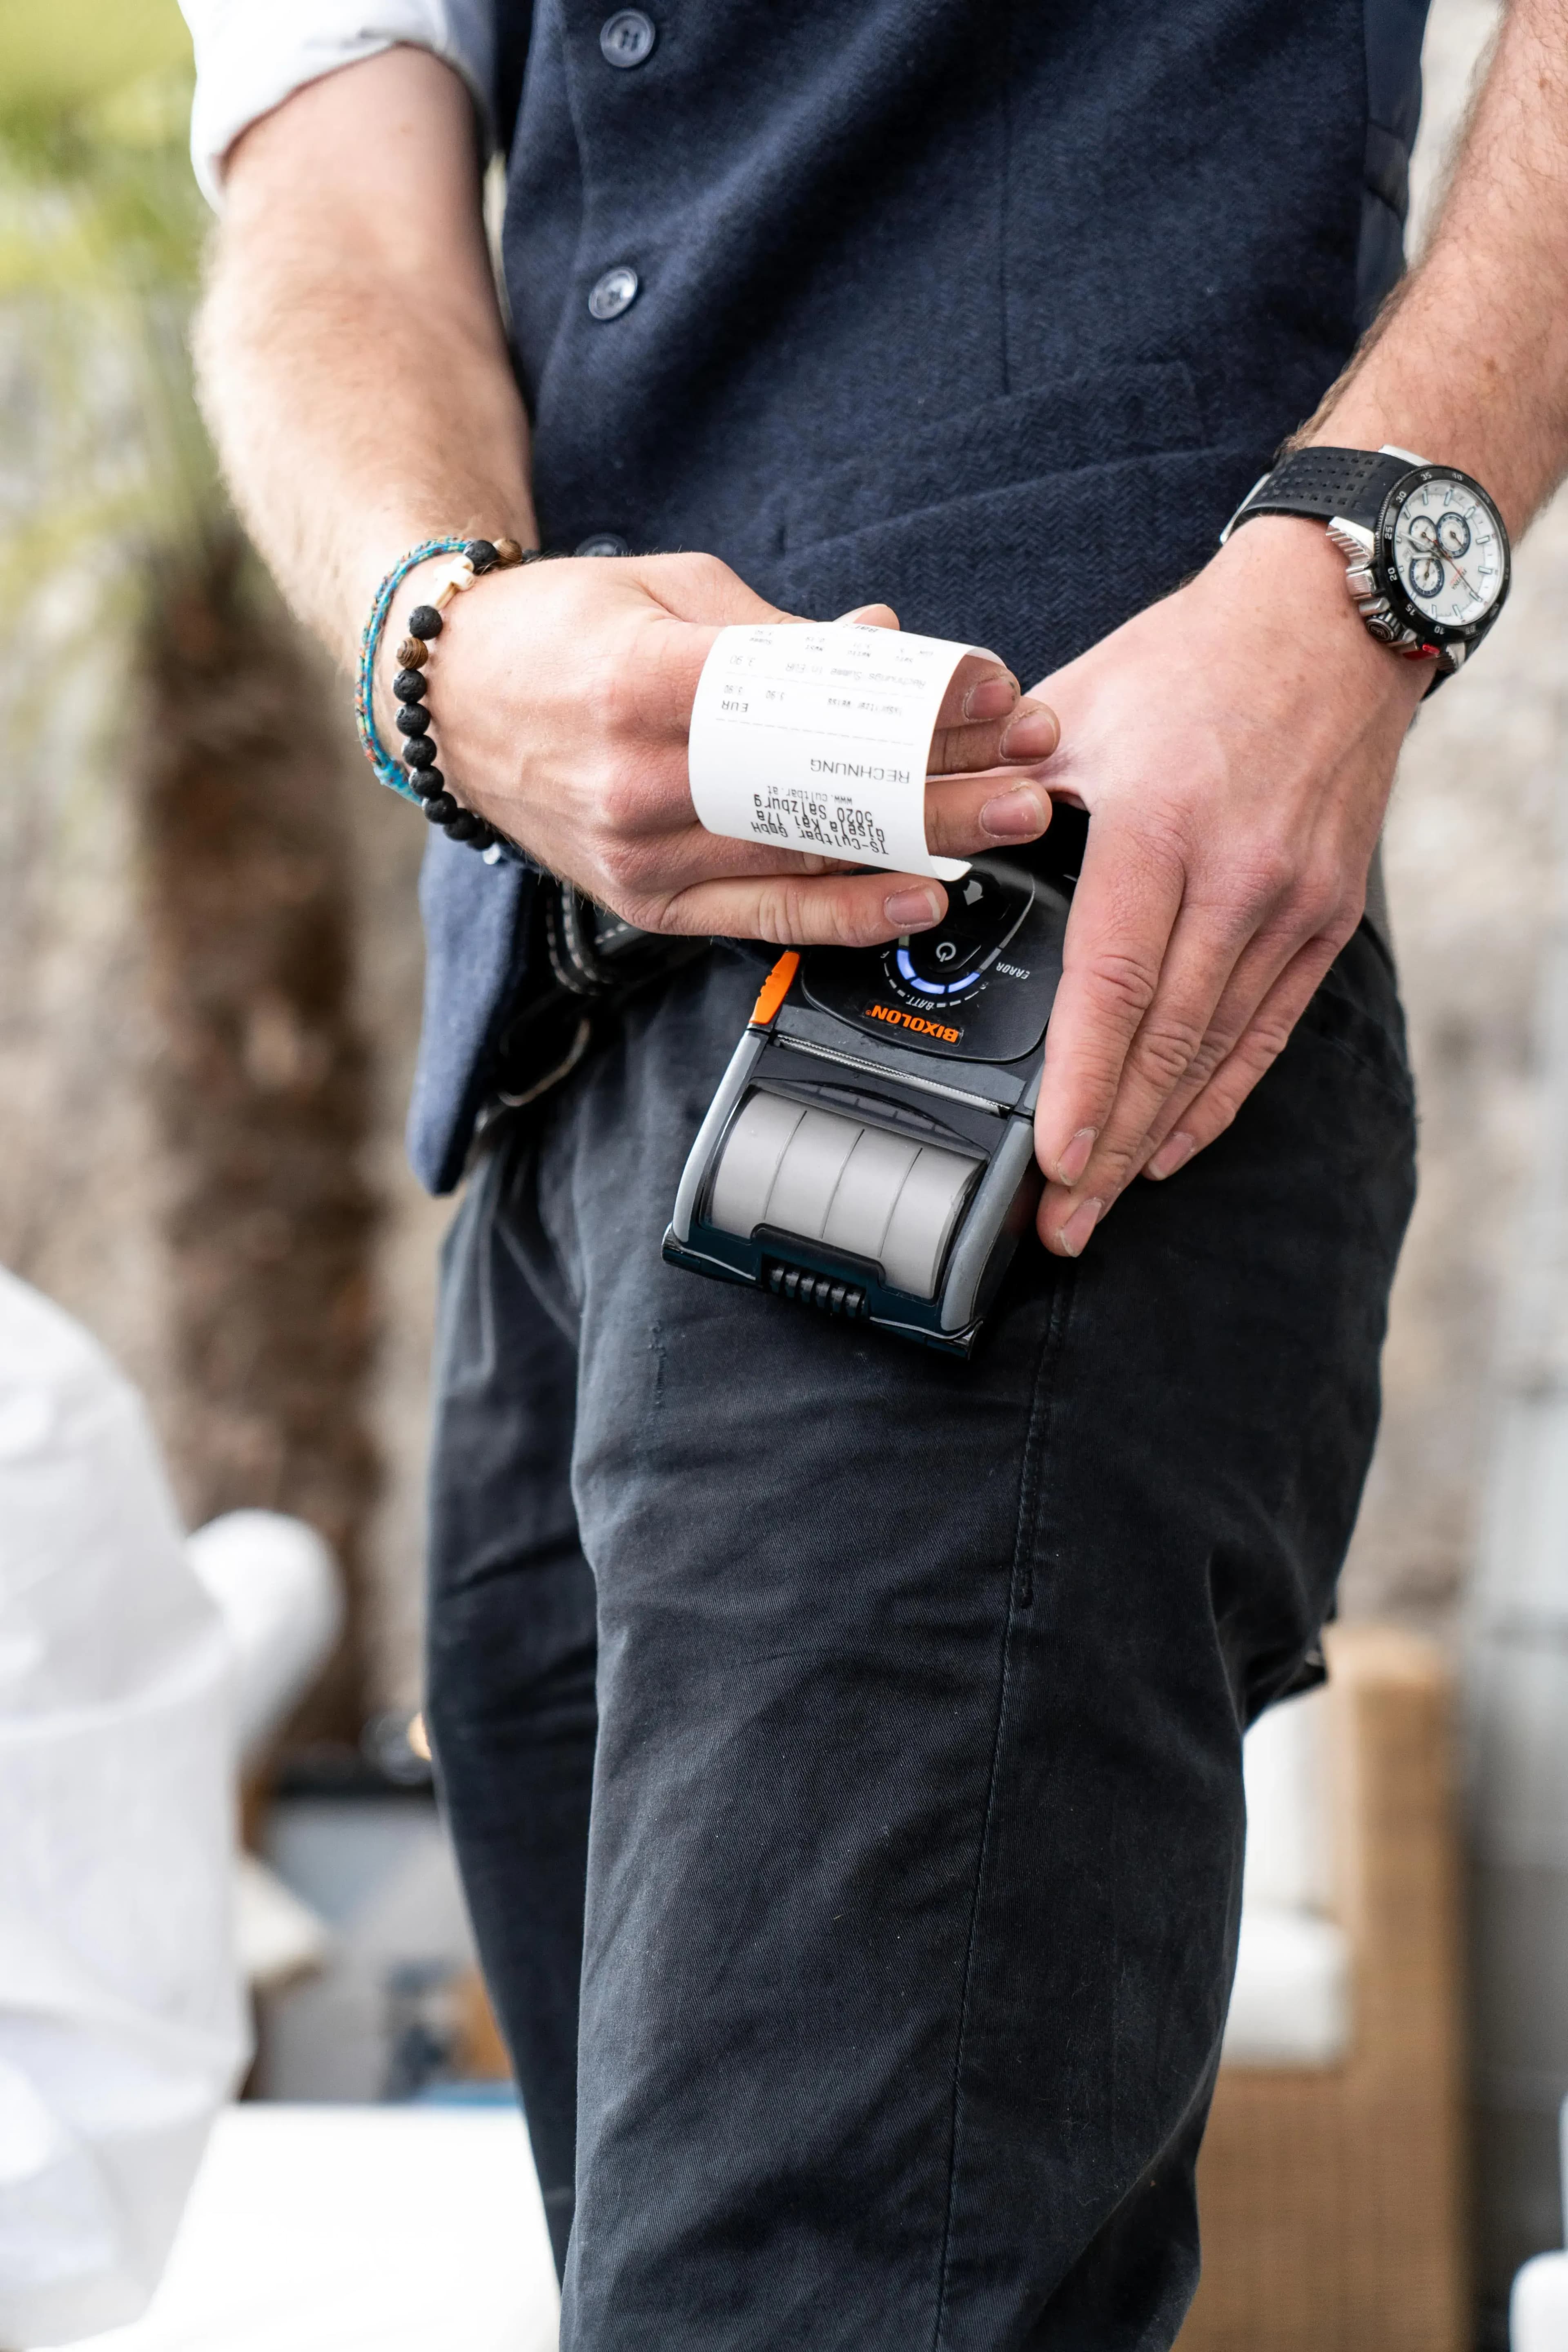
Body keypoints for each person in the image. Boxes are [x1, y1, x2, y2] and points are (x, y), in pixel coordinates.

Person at [181, 0, 1568, 2340]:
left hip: (1044, 975)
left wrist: (1359, 581)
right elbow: (321, 152)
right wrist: (444, 639)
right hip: (549, 1064)